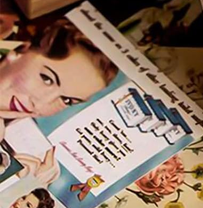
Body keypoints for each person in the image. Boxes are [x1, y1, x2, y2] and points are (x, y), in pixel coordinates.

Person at [0, 19, 118, 179]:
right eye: (47, 78)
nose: (41, 103)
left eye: (67, 100)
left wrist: (23, 184)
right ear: (21, 49)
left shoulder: (27, 148)